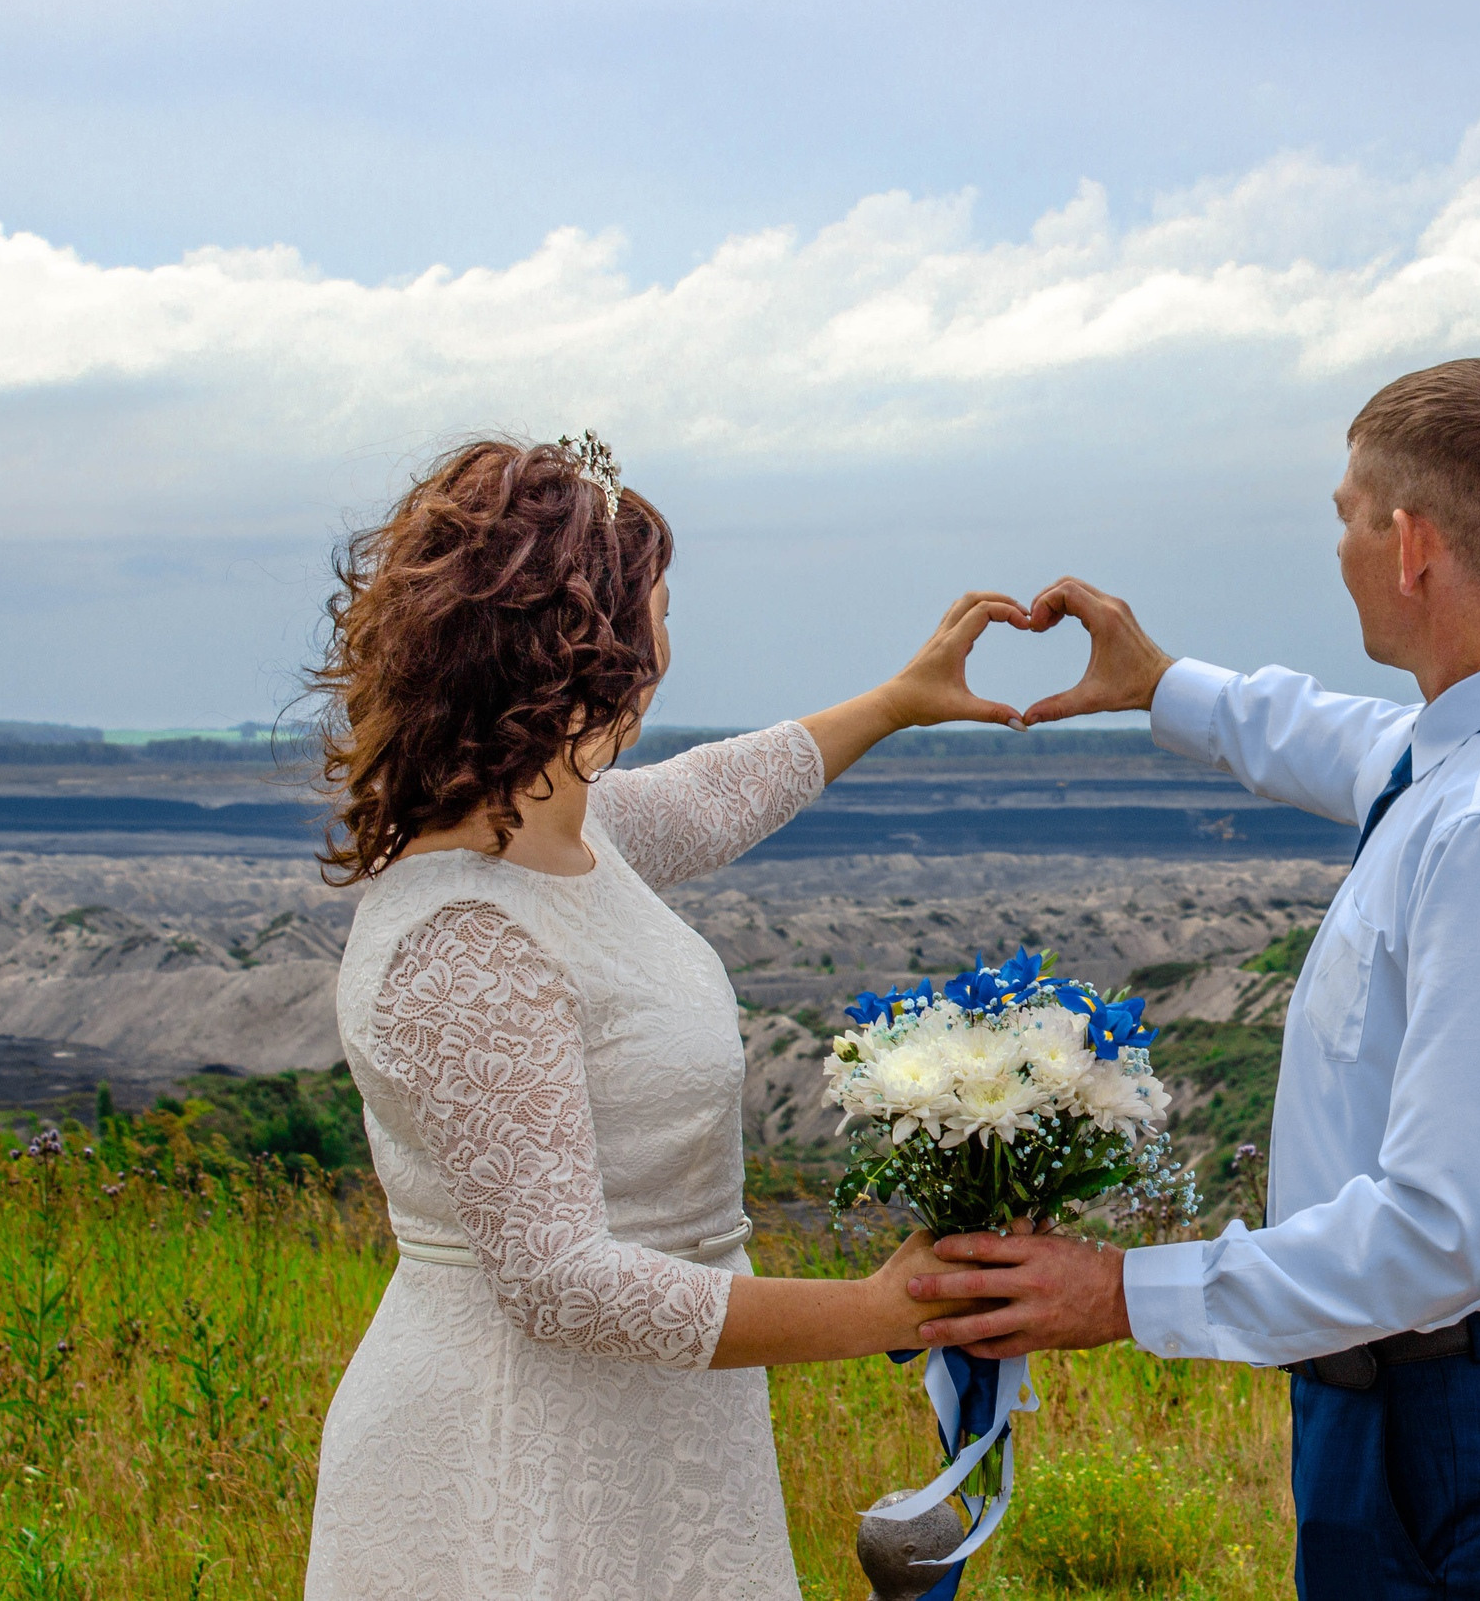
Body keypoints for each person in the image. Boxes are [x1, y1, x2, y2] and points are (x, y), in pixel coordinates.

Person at [907, 360, 1480, 1601]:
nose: (1339, 544)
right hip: (1420, 1392)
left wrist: (1121, 1292)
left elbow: (1441, 1228)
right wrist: (1161, 683)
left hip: (1445, 1422)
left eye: (1346, 515)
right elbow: (1359, 744)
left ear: (1409, 544)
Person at [302, 435, 1010, 1600]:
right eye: (660, 615)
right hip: (520, 1452)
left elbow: (718, 792)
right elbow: (561, 1284)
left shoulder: (574, 839)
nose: (671, 648)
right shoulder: (464, 937)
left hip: (650, 1426)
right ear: (595, 650)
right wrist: (879, 1311)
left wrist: (895, 703)